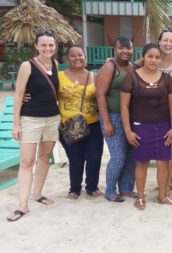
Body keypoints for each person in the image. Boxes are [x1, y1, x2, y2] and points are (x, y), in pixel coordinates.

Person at [7, 29, 60, 222]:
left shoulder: (55, 64)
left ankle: (37, 193)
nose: (47, 48)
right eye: (44, 44)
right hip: (30, 119)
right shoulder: (27, 66)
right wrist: (16, 124)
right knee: (27, 161)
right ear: (36, 46)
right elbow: (19, 96)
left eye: (51, 45)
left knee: (45, 157)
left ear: (55, 46)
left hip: (52, 119)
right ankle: (23, 205)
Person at [120, 43, 172, 210]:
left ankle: (163, 196)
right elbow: (124, 106)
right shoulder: (132, 77)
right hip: (140, 127)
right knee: (142, 163)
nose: (153, 60)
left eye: (157, 57)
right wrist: (128, 131)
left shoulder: (166, 79)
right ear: (143, 57)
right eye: (150, 56)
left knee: (163, 162)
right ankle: (140, 197)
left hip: (163, 126)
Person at [58, 45, 104, 199]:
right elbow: (46, 92)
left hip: (92, 124)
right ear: (67, 58)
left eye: (80, 55)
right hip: (69, 125)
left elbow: (103, 96)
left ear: (85, 57)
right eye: (73, 55)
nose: (77, 58)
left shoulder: (94, 76)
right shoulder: (59, 76)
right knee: (75, 158)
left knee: (94, 157)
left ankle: (92, 186)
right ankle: (75, 188)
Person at [96, 36, 136, 202]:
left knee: (131, 155)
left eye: (128, 49)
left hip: (130, 117)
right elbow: (100, 95)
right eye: (121, 48)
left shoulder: (132, 67)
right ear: (115, 49)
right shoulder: (109, 67)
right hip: (112, 117)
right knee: (118, 156)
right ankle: (110, 190)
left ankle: (126, 188)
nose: (125, 52)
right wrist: (106, 121)